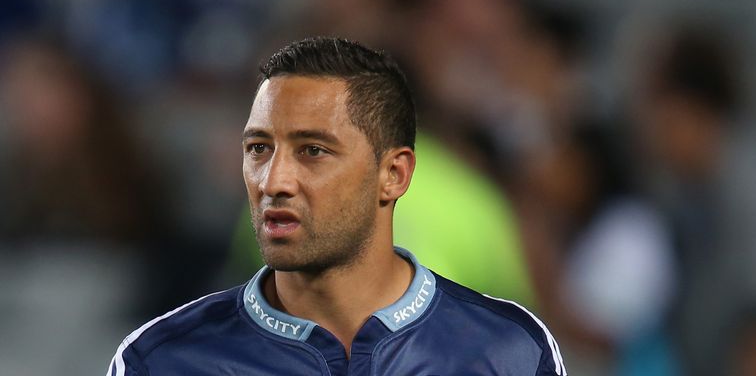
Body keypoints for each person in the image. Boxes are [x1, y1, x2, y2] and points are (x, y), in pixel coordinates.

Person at [106, 37, 567, 375]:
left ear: (394, 175)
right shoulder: (161, 360)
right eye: (258, 149)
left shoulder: (510, 351)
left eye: (313, 151)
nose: (274, 181)